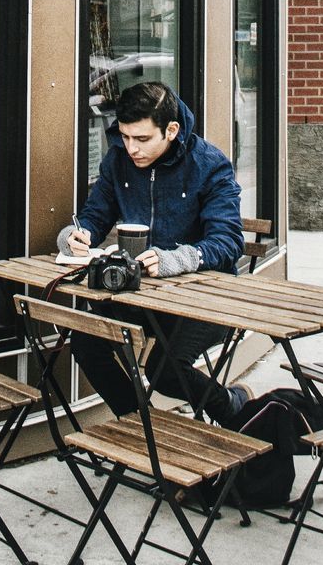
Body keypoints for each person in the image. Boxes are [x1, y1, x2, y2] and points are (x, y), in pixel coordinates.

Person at [57, 80, 250, 425]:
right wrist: (76, 235)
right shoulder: (118, 159)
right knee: (86, 343)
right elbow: (95, 215)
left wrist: (175, 259)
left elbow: (228, 241)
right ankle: (142, 428)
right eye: (125, 136)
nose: (131, 148)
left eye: (142, 139)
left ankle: (231, 407)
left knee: (164, 369)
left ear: (172, 130)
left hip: (206, 299)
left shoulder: (209, 165)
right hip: (141, 292)